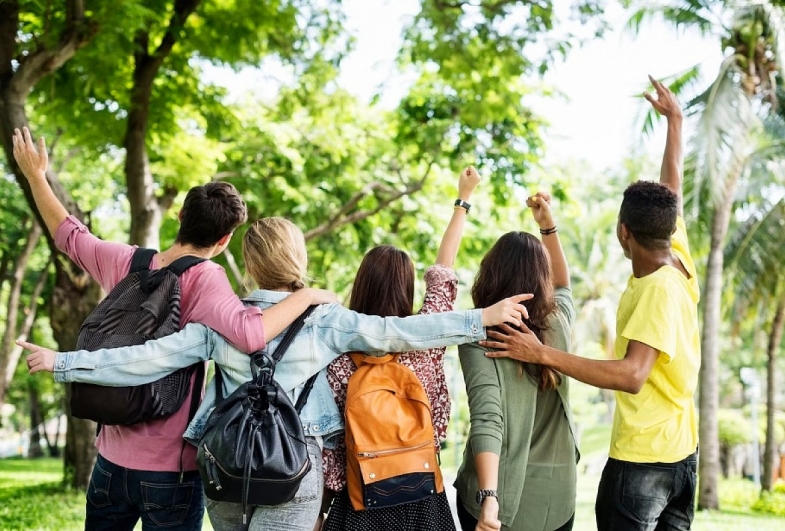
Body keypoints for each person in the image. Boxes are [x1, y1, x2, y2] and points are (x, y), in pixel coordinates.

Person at [21, 216, 531, 531]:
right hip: (294, 472)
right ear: (299, 258)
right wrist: (479, 318)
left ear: (248, 261)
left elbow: (144, 358)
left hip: (224, 471)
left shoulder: (220, 321)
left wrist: (62, 361)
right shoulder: (324, 318)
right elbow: (401, 333)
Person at [11, 127, 333, 531]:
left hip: (109, 463)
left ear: (179, 215)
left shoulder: (126, 261)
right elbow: (251, 334)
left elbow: (70, 236)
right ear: (224, 240)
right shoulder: (207, 278)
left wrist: (36, 176)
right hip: (170, 472)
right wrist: (307, 296)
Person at [480, 76, 700, 531]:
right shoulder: (676, 255)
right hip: (682, 456)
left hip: (645, 464)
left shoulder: (658, 289)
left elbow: (633, 375)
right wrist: (675, 123)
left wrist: (540, 353)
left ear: (624, 233)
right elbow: (671, 191)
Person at [321, 166, 480, 531]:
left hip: (359, 501)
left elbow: (330, 448)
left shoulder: (337, 352)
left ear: (361, 285)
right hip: (422, 495)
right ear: (406, 289)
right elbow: (443, 273)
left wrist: (321, 511)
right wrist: (463, 199)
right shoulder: (425, 341)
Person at [453, 192, 578, 531]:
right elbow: (564, 284)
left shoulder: (481, 336)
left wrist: (488, 496)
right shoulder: (558, 322)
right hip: (557, 501)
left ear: (490, 273)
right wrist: (548, 227)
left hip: (503, 501)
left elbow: (487, 419)